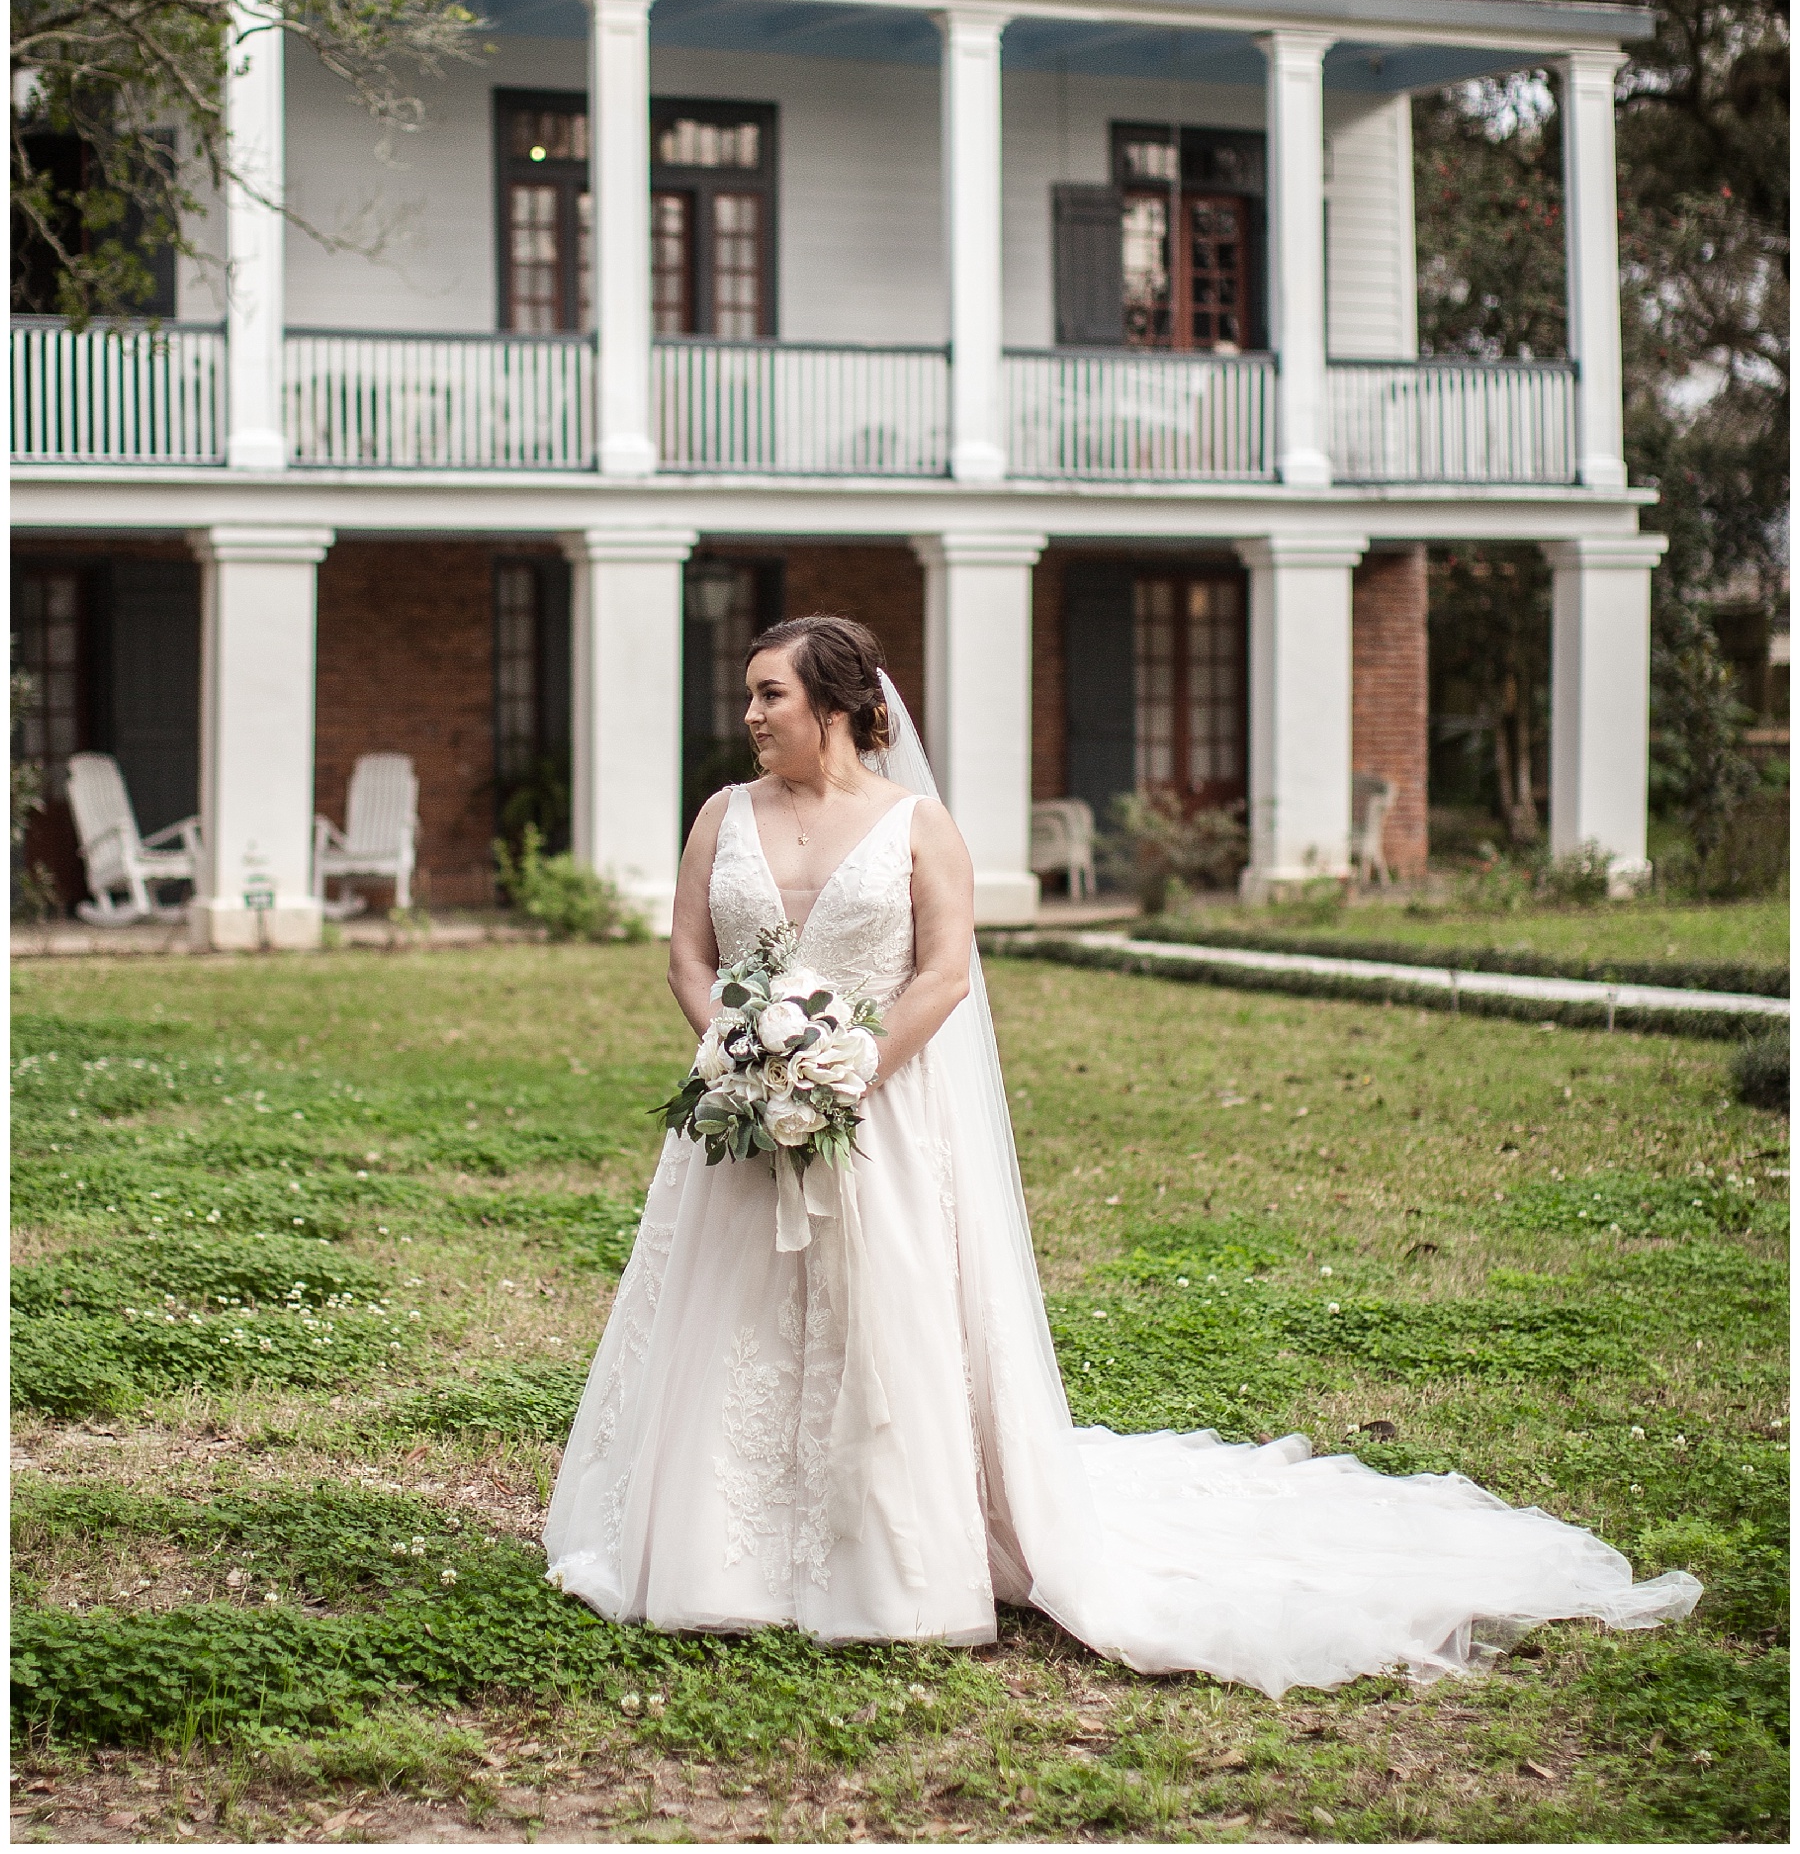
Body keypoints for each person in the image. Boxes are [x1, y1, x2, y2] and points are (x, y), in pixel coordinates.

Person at [544, 614, 1699, 1693]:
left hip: (876, 1112)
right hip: (744, 1115)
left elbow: (946, 971)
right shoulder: (721, 814)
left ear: (838, 704)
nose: (750, 712)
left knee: (882, 1325)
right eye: (749, 695)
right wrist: (740, 1053)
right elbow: (688, 957)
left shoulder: (914, 824)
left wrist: (847, 1067)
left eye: (769, 692)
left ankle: (887, 1557)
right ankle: (719, 1556)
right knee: (731, 1320)